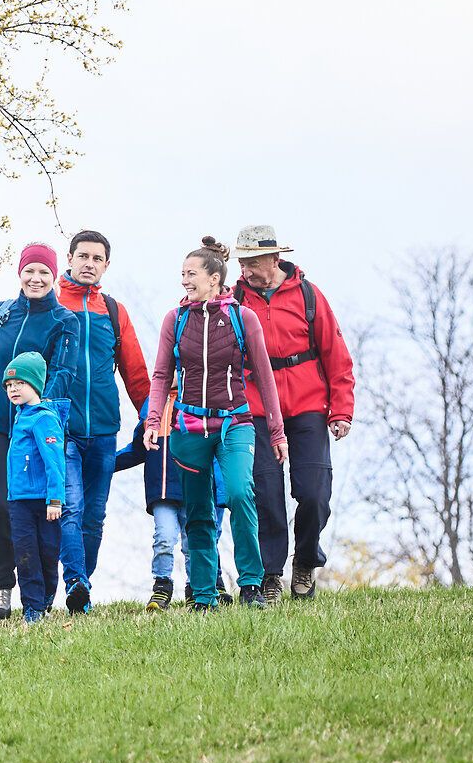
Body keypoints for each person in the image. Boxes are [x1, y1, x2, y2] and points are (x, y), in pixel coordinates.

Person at [144, 237, 289, 610]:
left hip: (234, 423)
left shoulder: (243, 318)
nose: (184, 281)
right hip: (190, 427)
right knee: (198, 510)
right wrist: (154, 419)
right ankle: (204, 594)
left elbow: (265, 377)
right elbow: (160, 375)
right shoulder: (175, 319)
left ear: (214, 278)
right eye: (182, 274)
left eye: (191, 274)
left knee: (240, 494)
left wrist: (277, 432)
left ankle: (251, 584)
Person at [232, 224, 356, 601]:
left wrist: (341, 410)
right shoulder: (234, 299)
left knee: (314, 492)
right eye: (242, 263)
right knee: (265, 492)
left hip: (307, 405)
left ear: (274, 259)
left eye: (253, 262)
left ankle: (305, 561)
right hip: (256, 408)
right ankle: (270, 573)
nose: (246, 270)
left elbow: (336, 355)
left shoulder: (308, 295)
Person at [0, 242, 74, 620]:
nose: (36, 278)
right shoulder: (1, 312)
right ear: (20, 273)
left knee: (33, 508)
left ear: (54, 276)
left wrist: (39, 413)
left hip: (35, 428)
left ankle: (38, 593)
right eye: (30, 271)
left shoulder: (63, 320)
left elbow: (63, 374)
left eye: (44, 272)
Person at [54, 230, 151, 613]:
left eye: (97, 259)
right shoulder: (51, 302)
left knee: (94, 516)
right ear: (70, 258)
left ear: (106, 265)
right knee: (70, 508)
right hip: (62, 428)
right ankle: (74, 580)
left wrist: (151, 417)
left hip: (105, 430)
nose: (89, 264)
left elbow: (136, 372)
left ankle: (82, 590)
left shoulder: (113, 311)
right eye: (83, 256)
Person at [114, 408, 229, 609]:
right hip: (162, 492)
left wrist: (221, 490)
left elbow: (214, 450)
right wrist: (106, 464)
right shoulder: (152, 409)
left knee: (192, 542)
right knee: (164, 538)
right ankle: (162, 586)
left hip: (193, 490)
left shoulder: (197, 404)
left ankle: (195, 587)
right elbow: (137, 449)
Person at [2, 352, 67, 624]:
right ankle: (33, 607)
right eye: (9, 385)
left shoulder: (43, 419)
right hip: (19, 501)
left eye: (20, 383)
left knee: (47, 552)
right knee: (25, 553)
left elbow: (55, 461)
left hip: (44, 501)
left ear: (35, 385)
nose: (13, 389)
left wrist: (55, 499)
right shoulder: (20, 417)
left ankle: (46, 596)